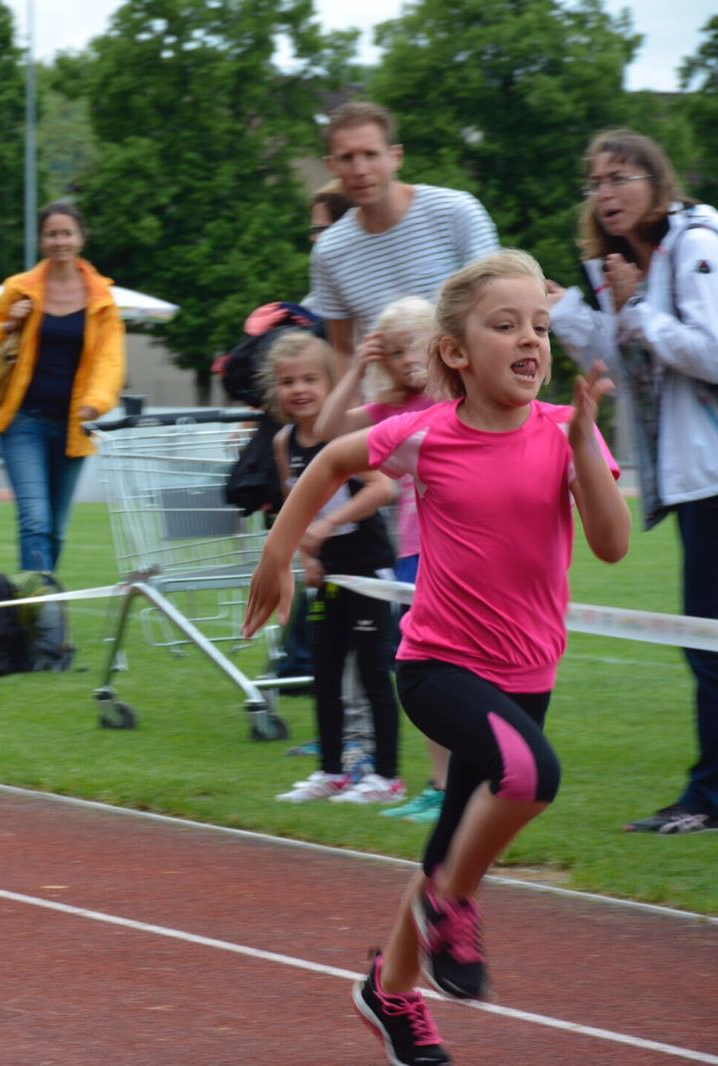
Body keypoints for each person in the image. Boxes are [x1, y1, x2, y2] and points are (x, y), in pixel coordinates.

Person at [244, 250, 629, 1065]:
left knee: (454, 847)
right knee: (531, 777)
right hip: (438, 667)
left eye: (540, 326)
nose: (530, 340)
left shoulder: (565, 430)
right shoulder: (427, 434)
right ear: (455, 352)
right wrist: (278, 551)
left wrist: (585, 448)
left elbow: (611, 543)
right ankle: (447, 906)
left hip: (529, 677)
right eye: (506, 325)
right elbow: (333, 459)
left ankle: (390, 992)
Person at [550, 128, 718, 835]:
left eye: (620, 178)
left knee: (706, 641)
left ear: (656, 181)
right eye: (596, 183)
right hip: (691, 479)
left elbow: (711, 352)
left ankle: (708, 798)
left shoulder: (697, 243)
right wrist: (564, 311)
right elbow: (625, 367)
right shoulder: (628, 265)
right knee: (703, 639)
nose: (606, 193)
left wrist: (641, 309)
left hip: (711, 476)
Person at [314, 294, 449, 823]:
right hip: (414, 557)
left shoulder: (455, 399)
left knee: (457, 671)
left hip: (458, 552)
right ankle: (441, 785)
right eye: (393, 352)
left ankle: (464, 783)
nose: (406, 360)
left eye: (414, 346)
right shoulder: (389, 411)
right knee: (424, 672)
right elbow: (326, 430)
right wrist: (357, 367)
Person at [262, 331, 402, 805]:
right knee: (324, 675)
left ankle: (387, 776)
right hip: (326, 574)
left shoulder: (343, 439)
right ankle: (331, 771)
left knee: (372, 673)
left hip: (367, 569)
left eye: (309, 380)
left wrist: (329, 525)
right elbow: (295, 504)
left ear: (329, 384)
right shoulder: (284, 442)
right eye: (287, 382)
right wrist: (306, 554)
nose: (299, 390)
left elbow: (383, 488)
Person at [0, 201, 126, 573]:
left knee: (56, 528)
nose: (60, 241)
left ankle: (43, 598)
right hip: (23, 422)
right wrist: (9, 324)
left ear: (81, 238)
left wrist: (95, 402)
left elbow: (110, 360)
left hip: (74, 425)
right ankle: (40, 602)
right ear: (42, 240)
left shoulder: (101, 298)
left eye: (67, 233)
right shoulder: (20, 288)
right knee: (35, 520)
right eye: (52, 234)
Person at [308, 101, 500, 374]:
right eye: (347, 158)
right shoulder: (330, 251)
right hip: (388, 397)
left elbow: (498, 313)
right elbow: (343, 350)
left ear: (395, 157)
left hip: (466, 385)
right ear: (331, 165)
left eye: (371, 154)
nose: (360, 169)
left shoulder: (455, 212)